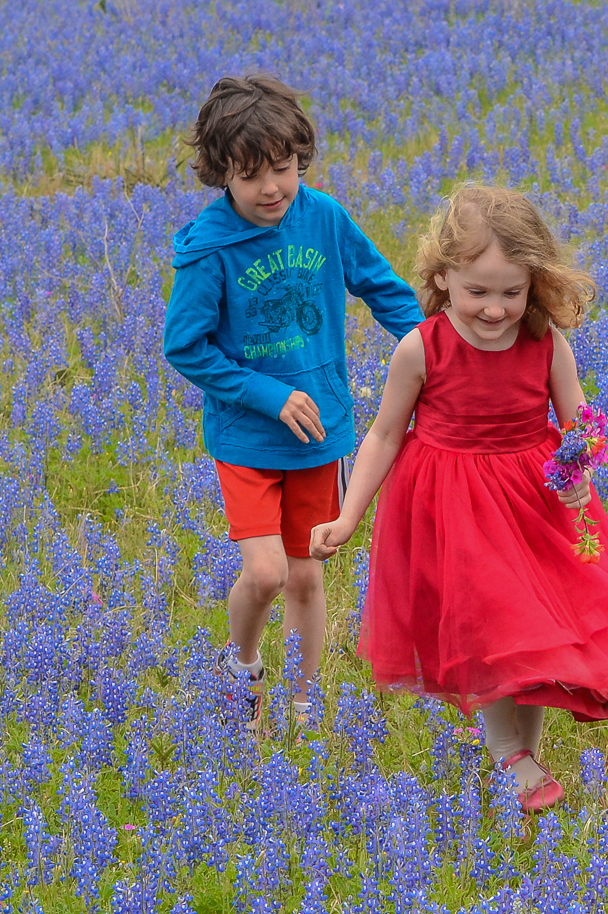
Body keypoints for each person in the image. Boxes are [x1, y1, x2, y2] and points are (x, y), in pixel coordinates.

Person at [310, 185, 608, 809]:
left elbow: (579, 420)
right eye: (478, 291)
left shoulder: (544, 344)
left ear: (535, 284)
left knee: (532, 639)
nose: (494, 308)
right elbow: (383, 435)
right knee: (496, 623)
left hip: (536, 503)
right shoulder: (421, 348)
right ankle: (511, 756)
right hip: (452, 507)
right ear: (442, 276)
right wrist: (349, 514)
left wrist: (579, 469)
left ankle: (521, 758)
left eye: (512, 292)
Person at [163, 74, 423, 733]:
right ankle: (242, 668)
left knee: (308, 579)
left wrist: (439, 351)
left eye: (284, 168)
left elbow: (384, 289)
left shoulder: (324, 217)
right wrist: (268, 394)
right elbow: (185, 346)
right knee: (266, 573)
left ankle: (304, 707)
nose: (273, 187)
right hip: (249, 439)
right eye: (253, 176)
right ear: (221, 172)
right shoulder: (209, 249)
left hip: (321, 434)